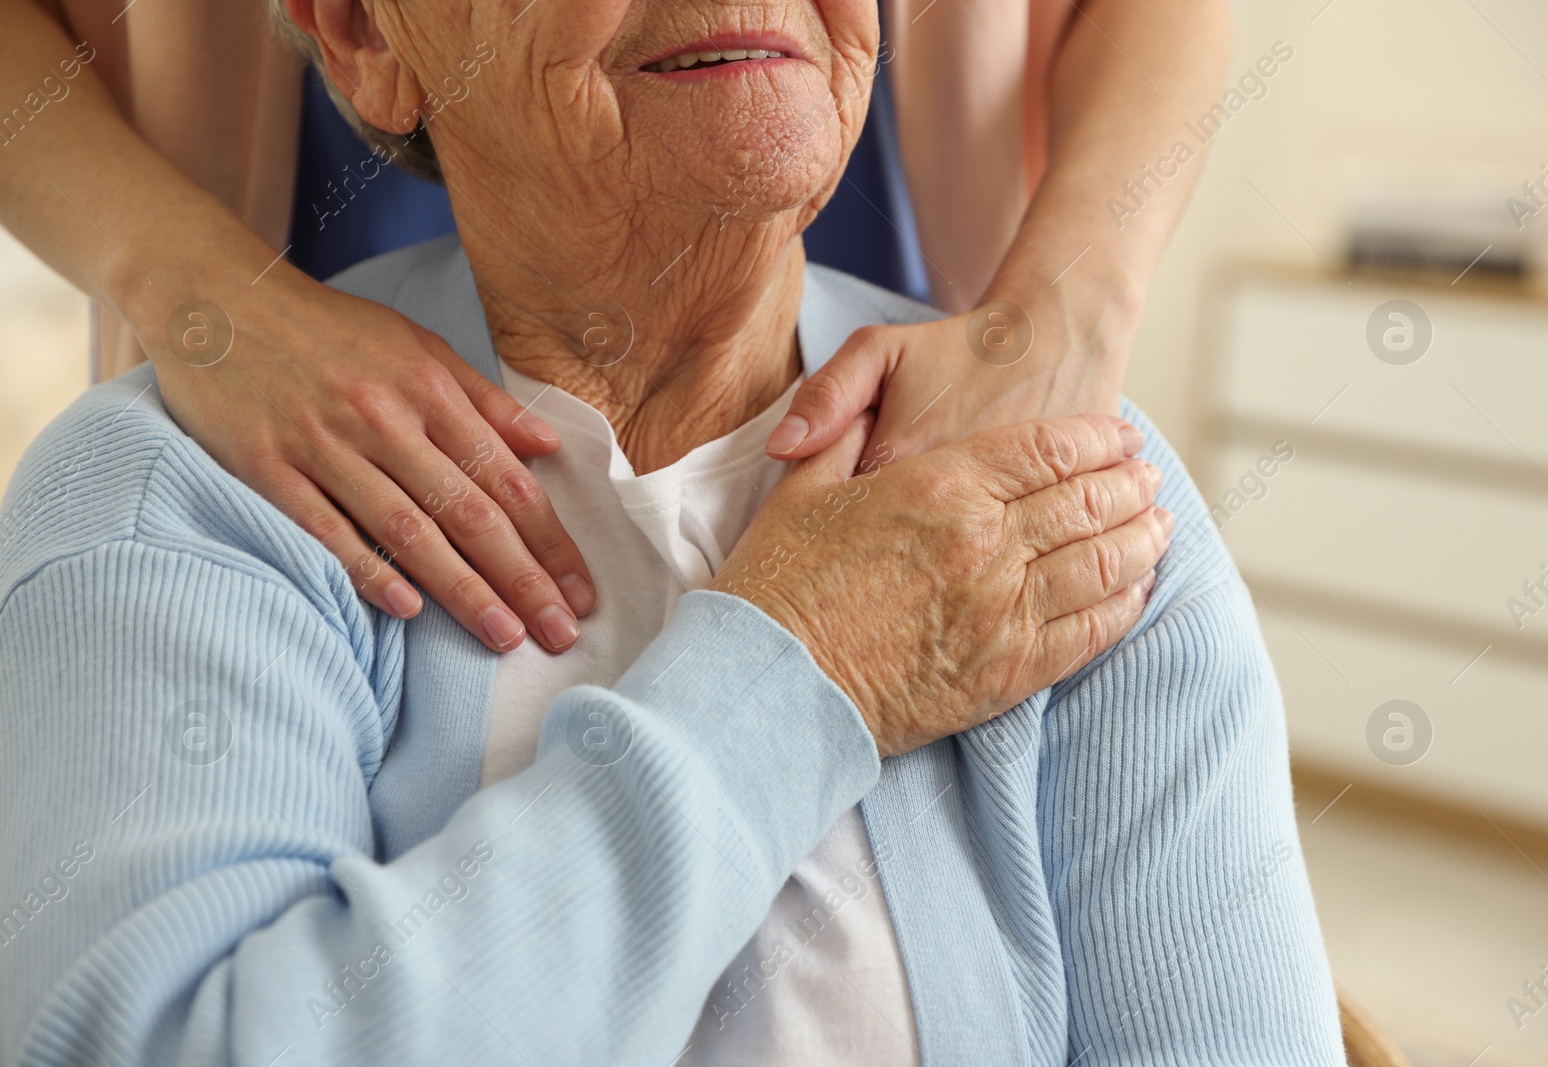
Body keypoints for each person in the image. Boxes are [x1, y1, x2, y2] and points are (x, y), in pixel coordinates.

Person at [0, 0, 1343, 1063]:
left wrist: (1062, 315)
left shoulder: (1066, 505)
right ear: (360, 32)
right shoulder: (174, 503)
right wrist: (802, 660)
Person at [0, 0, 1228, 655]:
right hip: (290, 337)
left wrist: (1067, 306)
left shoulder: (1105, 517)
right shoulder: (157, 524)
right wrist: (199, 293)